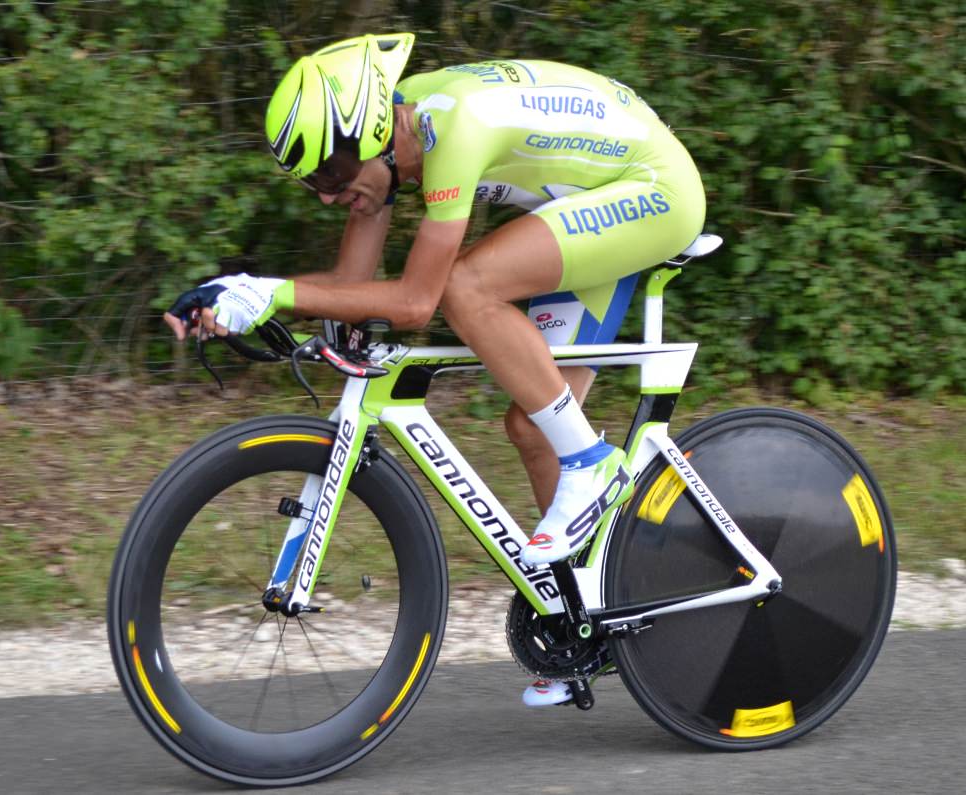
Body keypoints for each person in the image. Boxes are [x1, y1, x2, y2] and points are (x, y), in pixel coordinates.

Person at [164, 33, 706, 707]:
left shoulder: (454, 129)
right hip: (587, 200)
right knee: (535, 422)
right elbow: (349, 287)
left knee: (466, 286)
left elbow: (416, 302)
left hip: (652, 189)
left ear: (371, 135)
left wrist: (273, 290)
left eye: (332, 176)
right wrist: (234, 298)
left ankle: (593, 465)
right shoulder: (388, 150)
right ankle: (583, 621)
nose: (329, 197)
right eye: (314, 185)